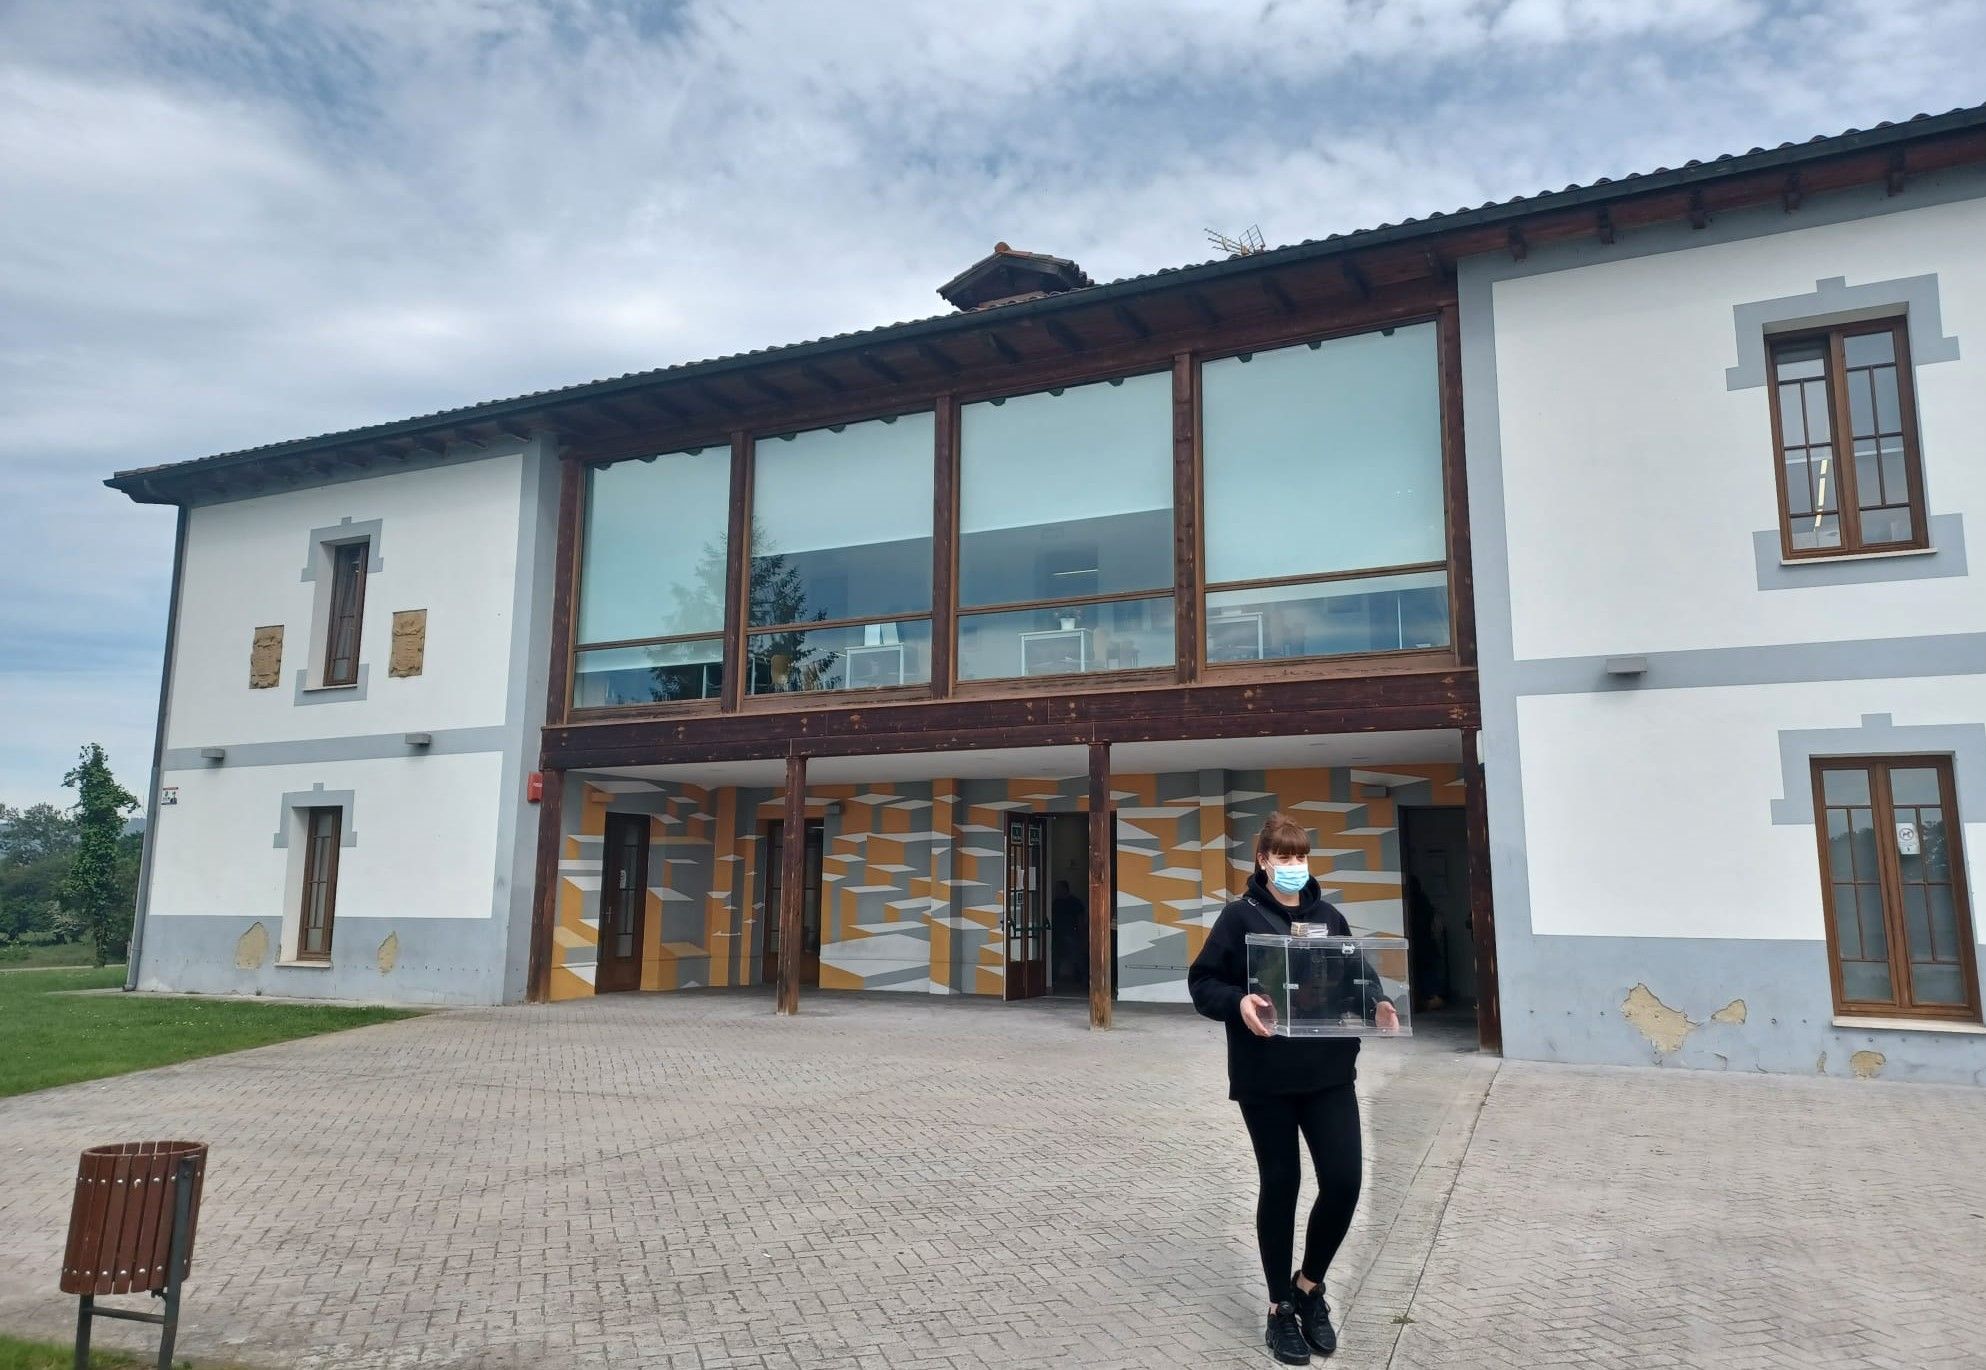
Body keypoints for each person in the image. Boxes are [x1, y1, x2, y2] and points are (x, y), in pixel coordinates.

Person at [1188, 812, 1400, 1365]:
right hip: (1267, 1079)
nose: (1293, 867)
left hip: (1329, 1074)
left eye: (1300, 856)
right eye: (1283, 857)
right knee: (1281, 1184)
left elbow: (1357, 976)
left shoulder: (1329, 917)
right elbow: (1203, 981)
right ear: (1263, 861)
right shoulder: (1238, 920)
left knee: (1345, 1181)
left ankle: (1308, 1287)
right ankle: (1280, 1308)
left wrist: (1376, 1002)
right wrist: (1237, 1002)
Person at [1050, 879, 1086, 988]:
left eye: (1058, 888)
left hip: (1071, 932)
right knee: (1055, 957)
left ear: (1065, 889)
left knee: (1077, 957)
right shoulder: (1056, 902)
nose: (1056, 891)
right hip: (1056, 934)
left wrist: (1081, 934)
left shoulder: (1075, 902)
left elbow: (1080, 919)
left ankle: (1084, 979)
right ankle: (1053, 979)